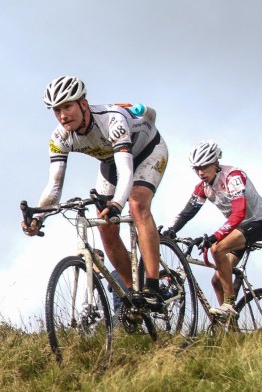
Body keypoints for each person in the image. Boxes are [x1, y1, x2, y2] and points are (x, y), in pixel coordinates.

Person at [22, 76, 169, 309]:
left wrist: (117, 204)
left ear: (83, 104)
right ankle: (133, 294)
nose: (62, 115)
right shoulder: (59, 138)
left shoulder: (112, 120)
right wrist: (39, 216)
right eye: (57, 110)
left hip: (147, 152)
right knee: (105, 226)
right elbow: (54, 185)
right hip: (111, 161)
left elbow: (126, 172)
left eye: (67, 107)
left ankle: (153, 287)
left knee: (137, 204)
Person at [162, 140, 262, 318]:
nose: (200, 173)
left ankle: (228, 304)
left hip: (257, 223)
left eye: (204, 167)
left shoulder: (233, 177)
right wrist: (171, 230)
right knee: (216, 281)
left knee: (217, 249)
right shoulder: (204, 187)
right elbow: (187, 212)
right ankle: (229, 325)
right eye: (196, 168)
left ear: (215, 163)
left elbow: (239, 213)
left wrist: (215, 237)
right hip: (238, 229)